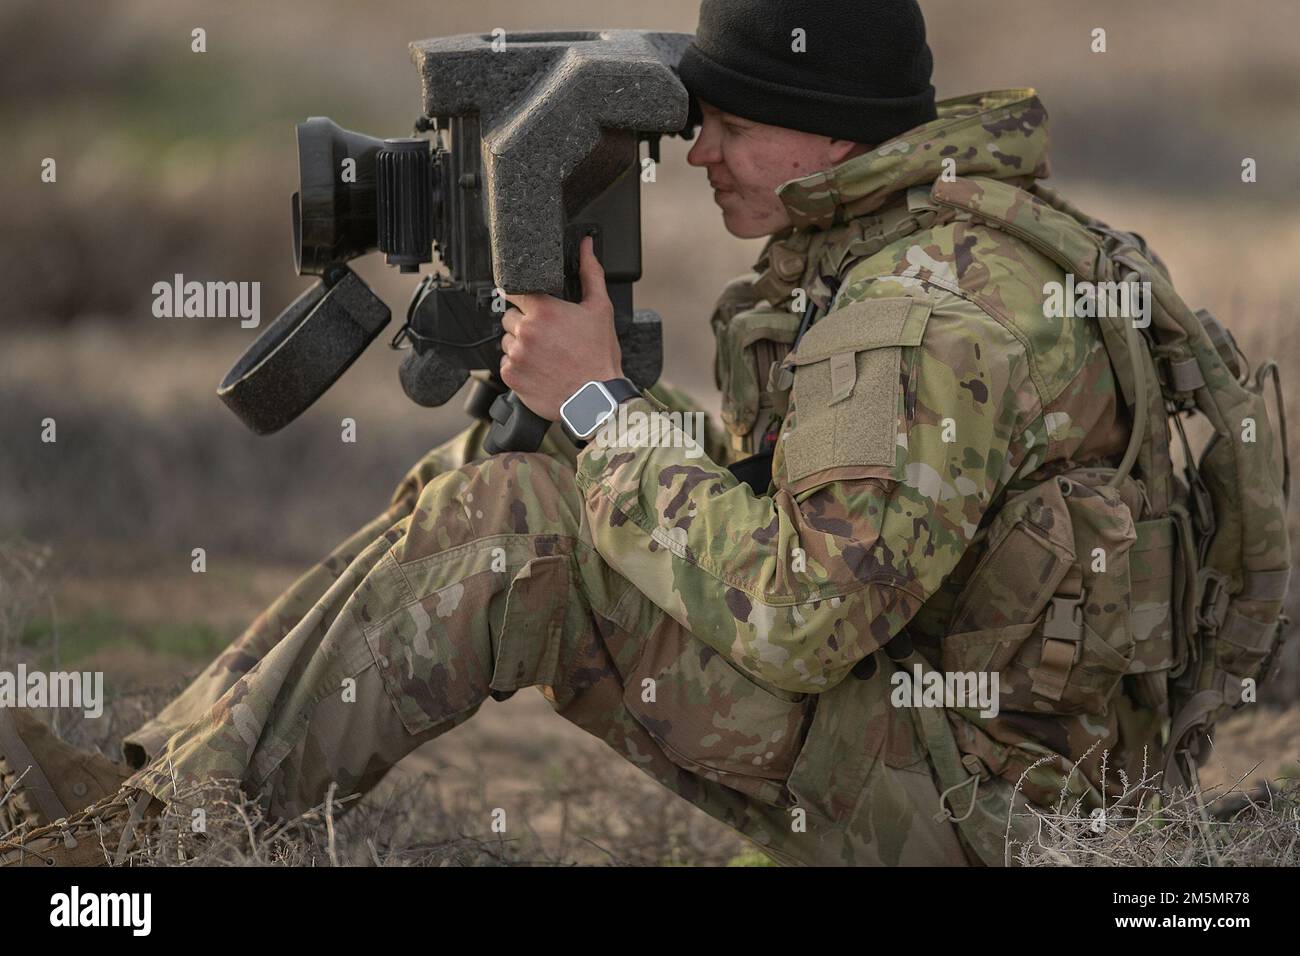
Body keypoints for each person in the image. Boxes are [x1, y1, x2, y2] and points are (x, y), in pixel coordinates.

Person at [1, 0, 1146, 866]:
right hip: (967, 733)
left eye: (733, 128)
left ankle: (155, 853)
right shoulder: (934, 231)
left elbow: (802, 619)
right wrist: (583, 419)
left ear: (830, 139)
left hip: (985, 806)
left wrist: (602, 405)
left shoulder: (916, 321)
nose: (697, 153)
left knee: (520, 524)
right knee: (519, 465)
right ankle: (151, 790)